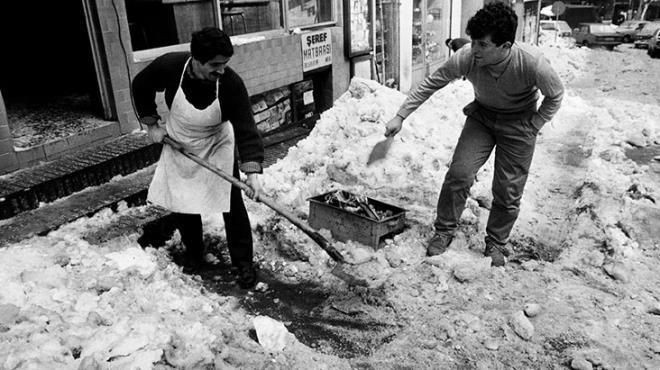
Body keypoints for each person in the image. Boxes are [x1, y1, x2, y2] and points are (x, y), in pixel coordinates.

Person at [384, 3, 564, 266]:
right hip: (482, 117)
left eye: (482, 44)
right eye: (473, 42)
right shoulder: (467, 57)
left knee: (508, 189)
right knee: (459, 173)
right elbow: (431, 83)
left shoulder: (532, 63)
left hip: (519, 123)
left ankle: (496, 241)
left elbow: (555, 95)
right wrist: (400, 115)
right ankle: (444, 230)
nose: (474, 49)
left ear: (505, 46)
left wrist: (535, 124)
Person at [132, 27, 264, 288]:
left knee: (232, 203)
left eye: (225, 64)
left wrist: (253, 173)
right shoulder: (170, 66)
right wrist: (152, 124)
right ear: (196, 59)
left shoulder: (230, 84)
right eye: (215, 65)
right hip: (181, 141)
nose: (222, 70)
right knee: (184, 201)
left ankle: (243, 263)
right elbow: (141, 85)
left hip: (216, 143)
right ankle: (194, 255)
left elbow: (246, 128)